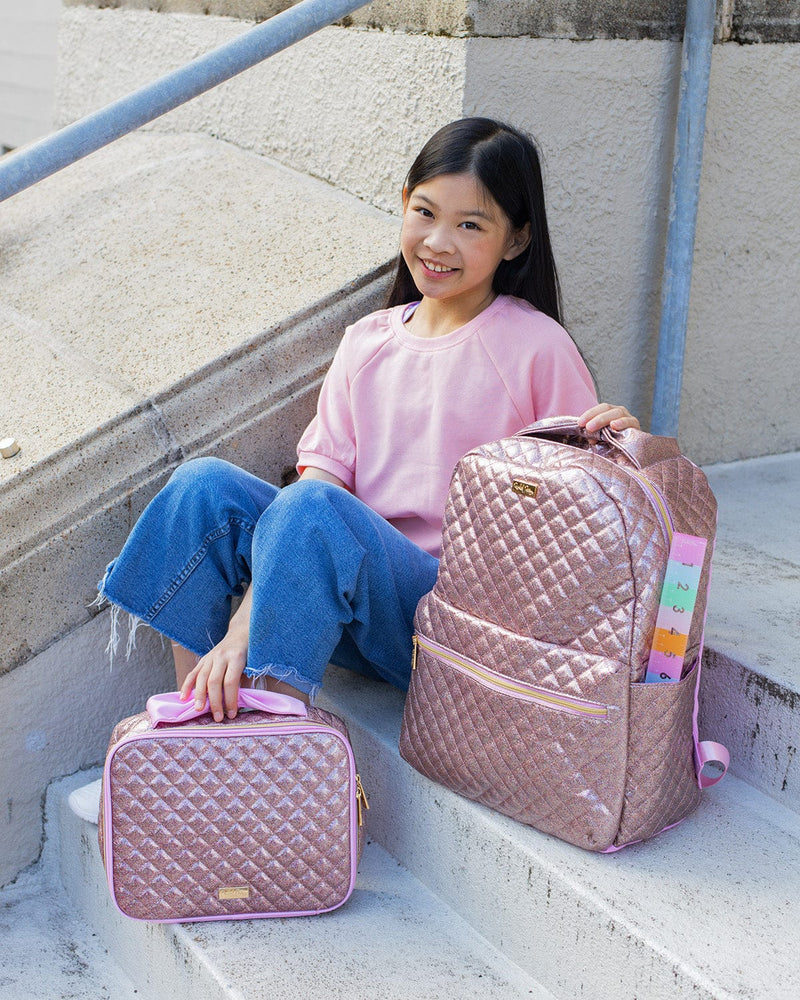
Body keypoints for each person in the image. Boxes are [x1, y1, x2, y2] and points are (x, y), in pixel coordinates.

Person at [97, 117, 639, 725]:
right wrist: (239, 630)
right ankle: (194, 724)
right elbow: (320, 483)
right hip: (358, 600)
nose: (438, 241)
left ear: (515, 241)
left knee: (312, 512)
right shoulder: (368, 340)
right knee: (203, 487)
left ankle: (274, 750)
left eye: (470, 225)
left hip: (455, 625)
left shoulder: (536, 346)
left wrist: (617, 443)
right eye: (426, 213)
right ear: (404, 204)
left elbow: (583, 509)